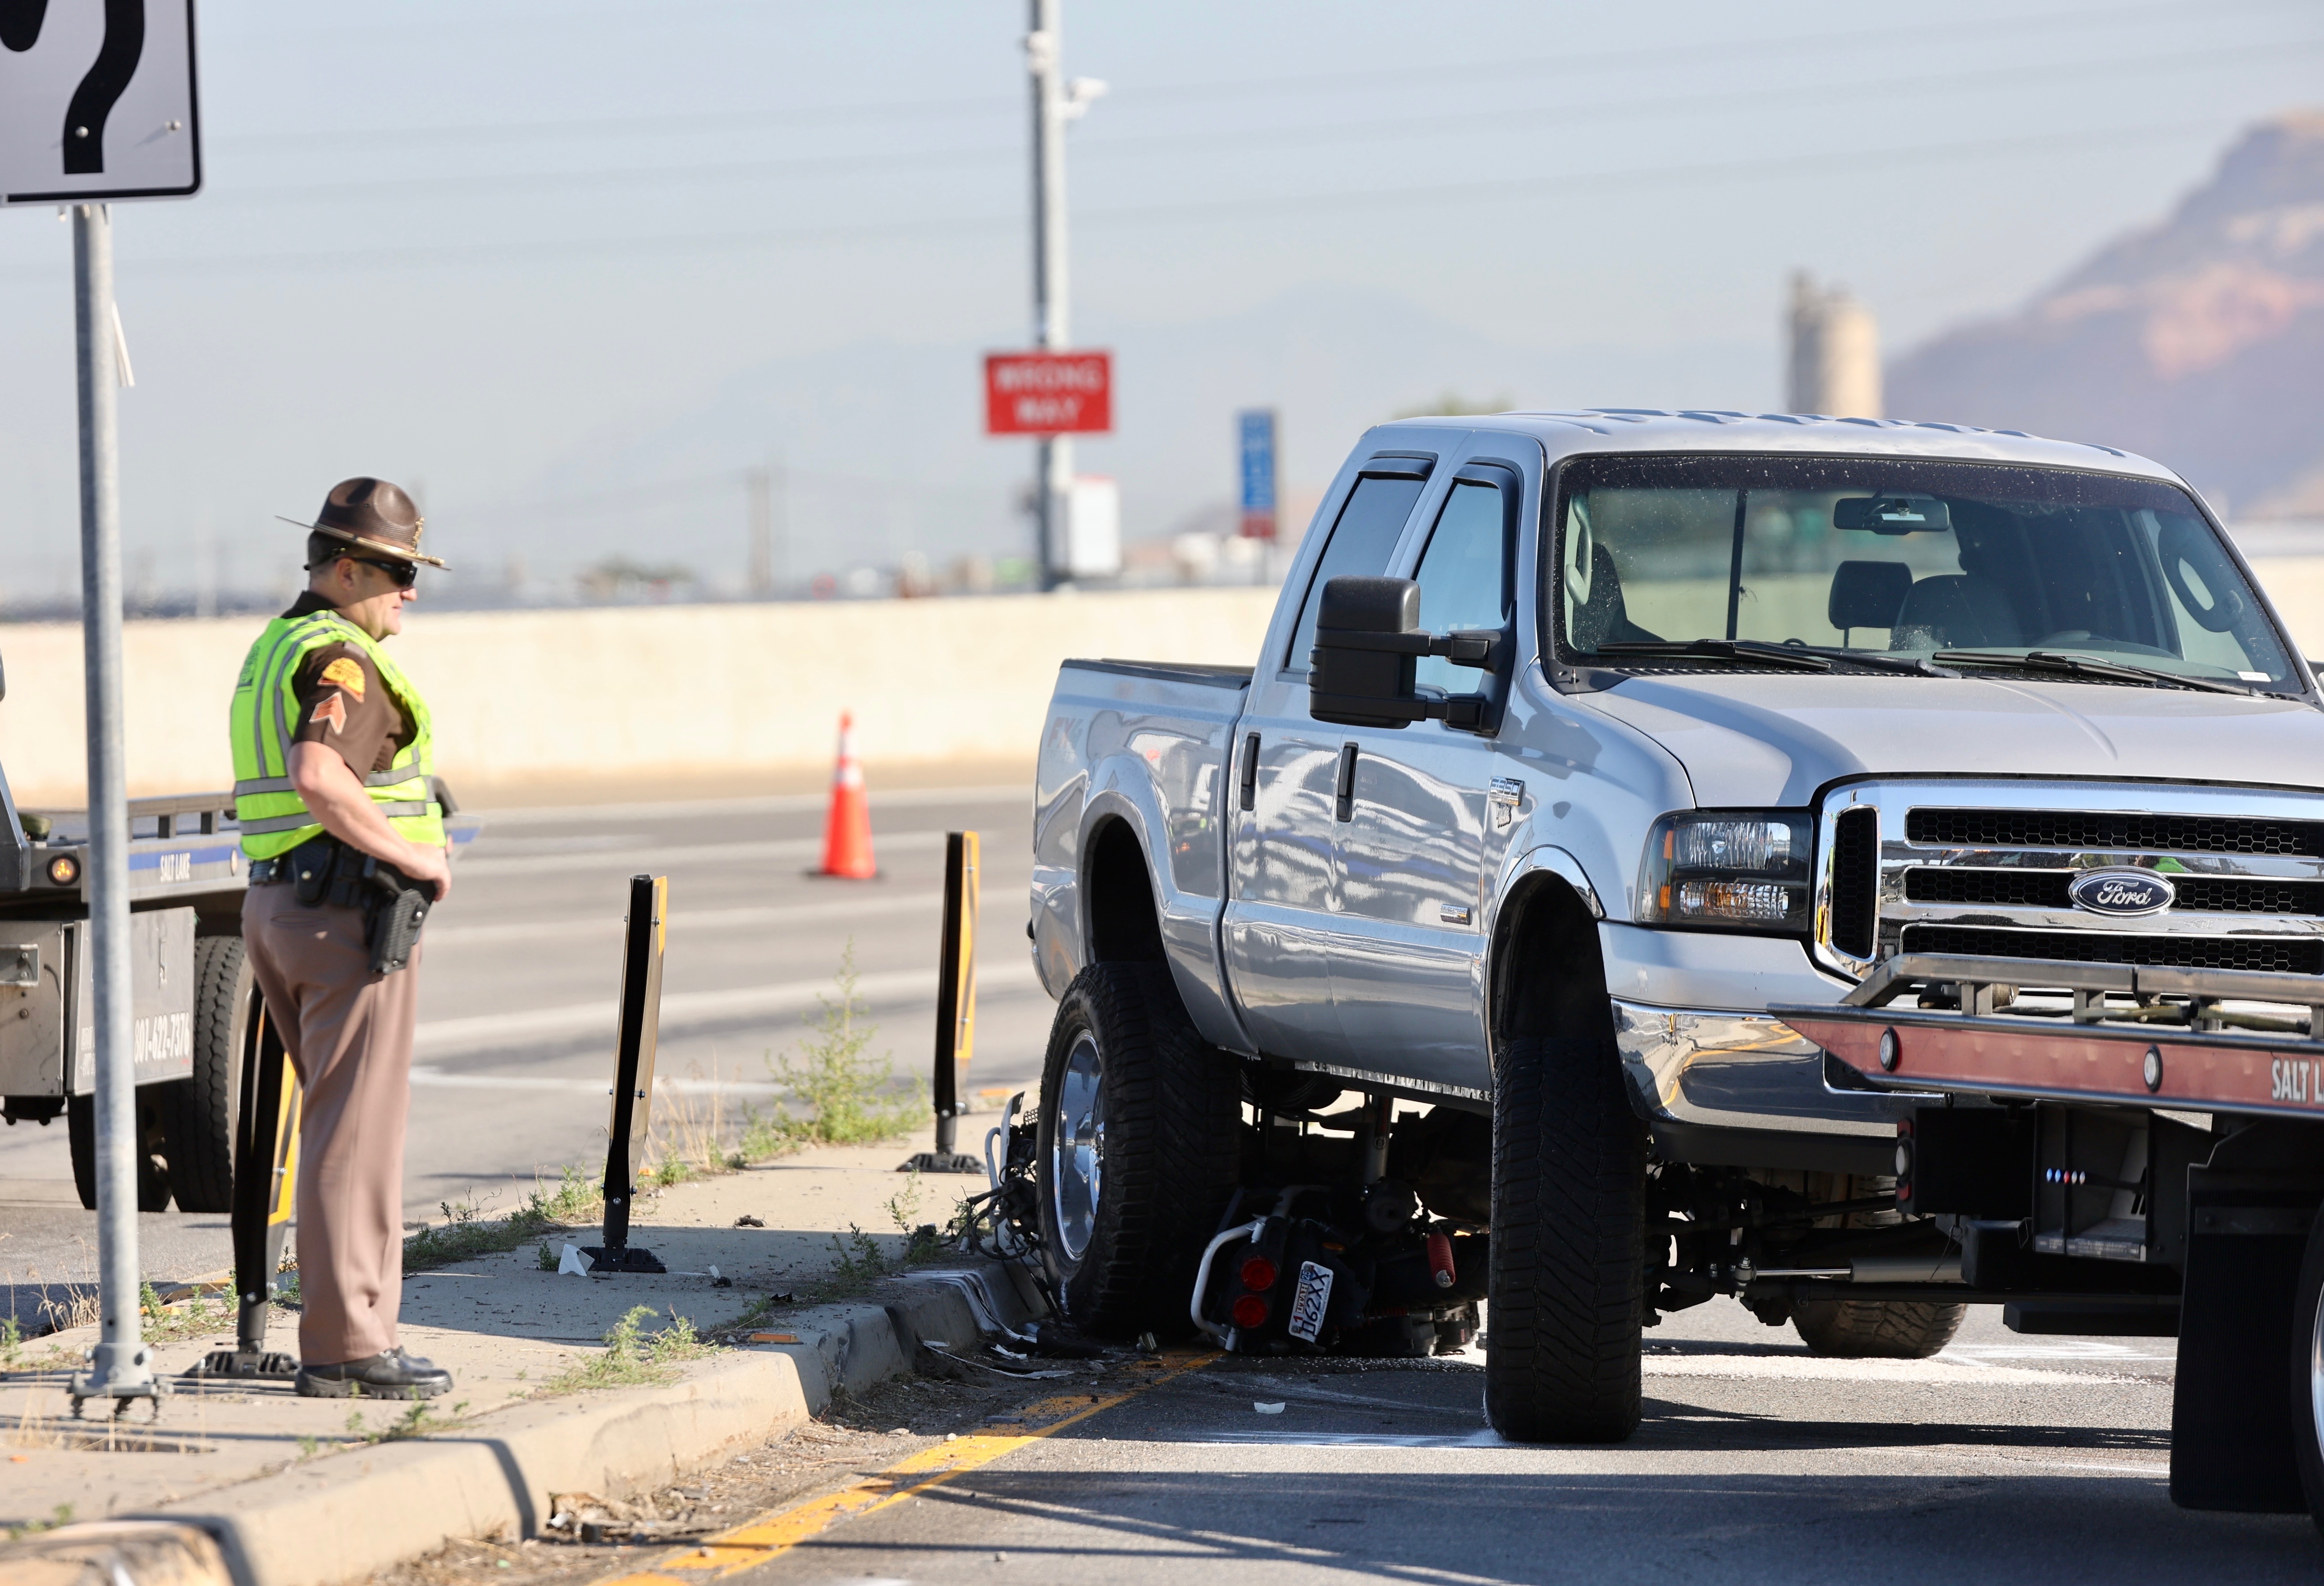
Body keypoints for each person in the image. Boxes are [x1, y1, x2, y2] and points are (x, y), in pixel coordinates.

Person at [229, 477, 454, 1399]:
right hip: (342, 912)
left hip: (282, 905)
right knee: (353, 1135)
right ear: (348, 566)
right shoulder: (343, 657)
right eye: (399, 570)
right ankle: (351, 1343)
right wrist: (416, 855)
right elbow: (321, 773)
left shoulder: (274, 643)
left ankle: (343, 1332)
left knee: (332, 1123)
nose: (411, 589)